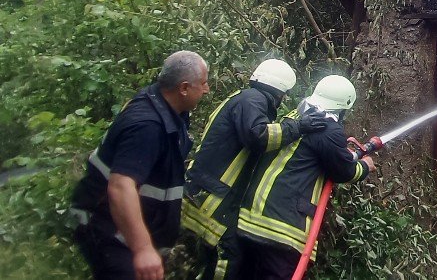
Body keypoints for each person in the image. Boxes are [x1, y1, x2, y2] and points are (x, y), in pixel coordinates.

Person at [181, 59, 328, 280]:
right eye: (284, 95)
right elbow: (259, 136)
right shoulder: (253, 100)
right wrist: (298, 126)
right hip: (213, 200)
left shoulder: (245, 99)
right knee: (228, 258)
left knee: (201, 261)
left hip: (209, 194)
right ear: (279, 91)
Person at [71, 50, 211, 280]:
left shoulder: (168, 111)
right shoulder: (148, 126)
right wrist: (143, 249)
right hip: (112, 235)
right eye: (203, 83)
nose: (206, 90)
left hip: (125, 236)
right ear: (184, 88)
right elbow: (121, 186)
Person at [236, 75, 375, 280]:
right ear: (344, 106)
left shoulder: (298, 115)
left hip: (250, 219)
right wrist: (364, 166)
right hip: (283, 228)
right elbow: (343, 171)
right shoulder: (328, 129)